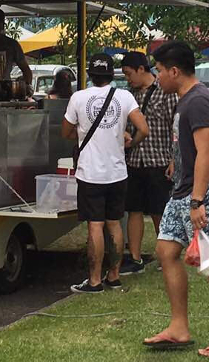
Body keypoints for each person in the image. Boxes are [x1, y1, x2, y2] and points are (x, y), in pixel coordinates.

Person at [143, 41, 209, 358]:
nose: (157, 76)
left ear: (174, 71)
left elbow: (206, 151)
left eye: (159, 71)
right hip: (183, 187)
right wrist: (177, 162)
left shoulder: (198, 101)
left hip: (202, 190)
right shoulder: (184, 99)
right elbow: (190, 146)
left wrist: (197, 201)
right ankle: (178, 328)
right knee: (166, 250)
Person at [62, 53, 149, 293]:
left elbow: (66, 131)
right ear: (112, 74)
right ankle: (114, 276)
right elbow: (143, 128)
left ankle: (94, 280)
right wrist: (129, 143)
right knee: (114, 225)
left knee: (95, 226)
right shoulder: (124, 96)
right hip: (117, 172)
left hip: (90, 173)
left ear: (90, 74)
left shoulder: (78, 98)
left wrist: (82, 134)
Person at [120, 51, 178, 275]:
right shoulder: (128, 95)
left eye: (128, 73)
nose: (127, 78)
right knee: (133, 209)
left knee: (159, 210)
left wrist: (174, 158)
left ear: (141, 69)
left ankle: (166, 255)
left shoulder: (165, 92)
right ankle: (135, 258)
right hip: (134, 160)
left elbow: (176, 126)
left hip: (159, 159)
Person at [0, 8, 32, 86]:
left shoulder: (12, 45)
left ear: (2, 26)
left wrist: (26, 87)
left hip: (4, 92)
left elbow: (26, 70)